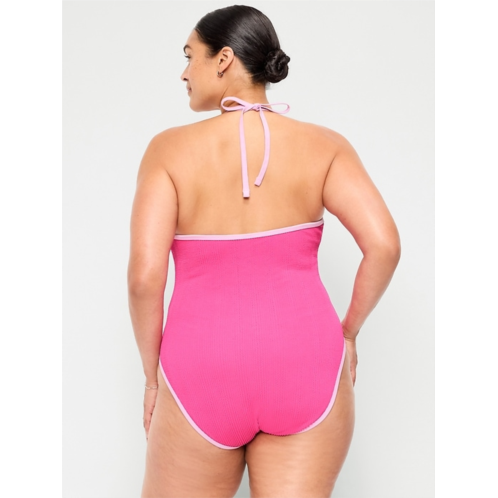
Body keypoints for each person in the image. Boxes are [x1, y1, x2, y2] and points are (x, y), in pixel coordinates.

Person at [127, 5, 401, 497]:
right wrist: (348, 333)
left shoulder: (167, 151)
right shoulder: (325, 145)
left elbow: (145, 278)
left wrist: (152, 379)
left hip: (200, 369)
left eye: (190, 56)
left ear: (223, 59)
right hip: (307, 363)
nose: (184, 73)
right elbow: (384, 245)